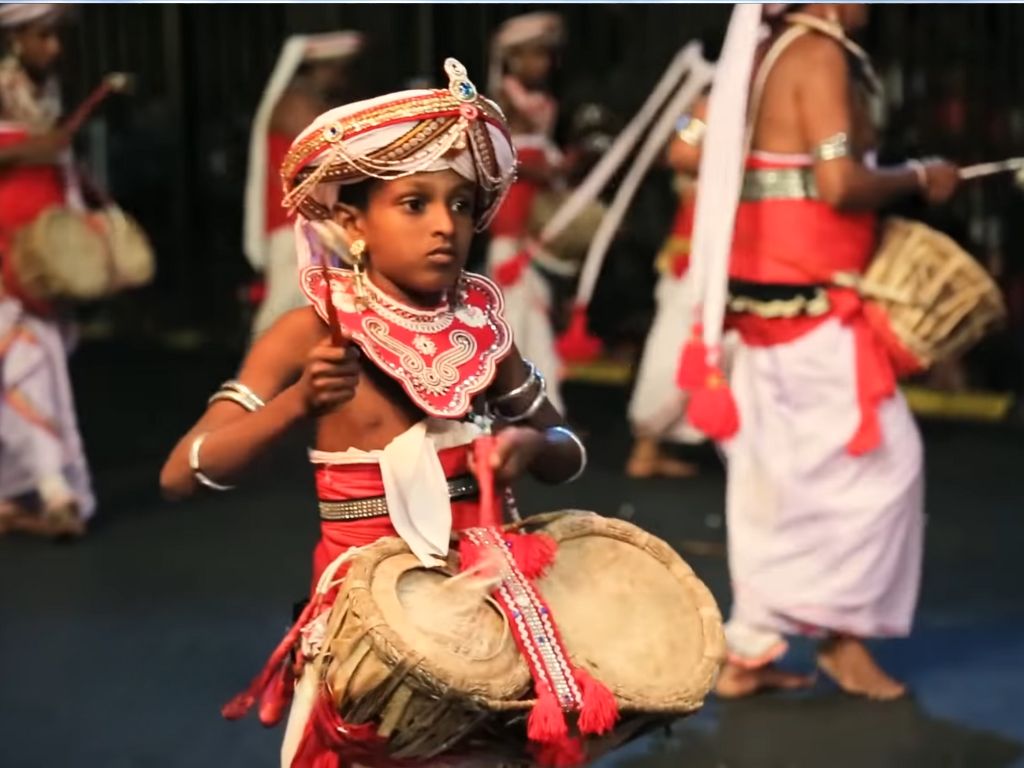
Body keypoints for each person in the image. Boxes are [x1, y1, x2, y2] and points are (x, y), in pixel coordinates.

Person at [160, 58, 587, 766]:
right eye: (413, 203)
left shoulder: (481, 324)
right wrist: (298, 402)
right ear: (353, 222)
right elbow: (185, 474)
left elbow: (567, 448)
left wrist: (529, 448)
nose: (444, 226)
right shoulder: (307, 331)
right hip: (372, 622)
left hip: (488, 607)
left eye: (458, 203)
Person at [682, 4, 960, 700]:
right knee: (883, 463)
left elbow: (685, 146)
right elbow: (839, 185)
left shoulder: (761, 51)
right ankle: (841, 639)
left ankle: (749, 647)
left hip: (766, 296)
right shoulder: (818, 54)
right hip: (810, 299)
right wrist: (921, 176)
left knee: (778, 474)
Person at [0, 3, 94, 538]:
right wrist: (36, 149)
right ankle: (51, 491)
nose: (52, 48)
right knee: (26, 366)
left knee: (35, 368)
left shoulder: (50, 89)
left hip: (39, 256)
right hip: (2, 256)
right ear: (15, 37)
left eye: (56, 37)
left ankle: (42, 489)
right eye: (42, 36)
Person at [243, 31, 364, 341]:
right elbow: (335, 146)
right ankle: (258, 372)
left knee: (310, 305)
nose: (343, 76)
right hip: (292, 221)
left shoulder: (312, 100)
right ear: (320, 68)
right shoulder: (296, 102)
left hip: (310, 219)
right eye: (339, 68)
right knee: (282, 304)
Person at [485, 12, 567, 412]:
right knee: (516, 319)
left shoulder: (543, 104)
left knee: (531, 319)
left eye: (546, 56)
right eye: (533, 55)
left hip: (535, 226)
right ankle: (523, 404)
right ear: (512, 58)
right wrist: (550, 170)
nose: (542, 65)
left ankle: (535, 404)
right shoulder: (500, 102)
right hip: (510, 230)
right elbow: (502, 162)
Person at [626, 99, 709, 479]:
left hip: (736, 246)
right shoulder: (709, 106)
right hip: (698, 251)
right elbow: (681, 153)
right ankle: (647, 443)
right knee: (678, 343)